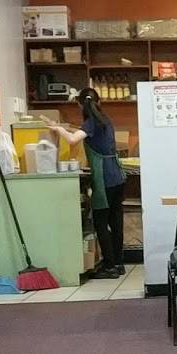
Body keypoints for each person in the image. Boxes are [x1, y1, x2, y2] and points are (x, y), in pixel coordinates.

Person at [47, 88, 127, 279]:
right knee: (116, 222)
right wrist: (66, 129)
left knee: (101, 222)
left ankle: (109, 267)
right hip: (118, 176)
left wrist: (58, 129)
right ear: (99, 102)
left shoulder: (91, 122)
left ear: (80, 104)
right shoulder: (104, 120)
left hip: (105, 178)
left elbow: (73, 140)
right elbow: (83, 134)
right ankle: (118, 263)